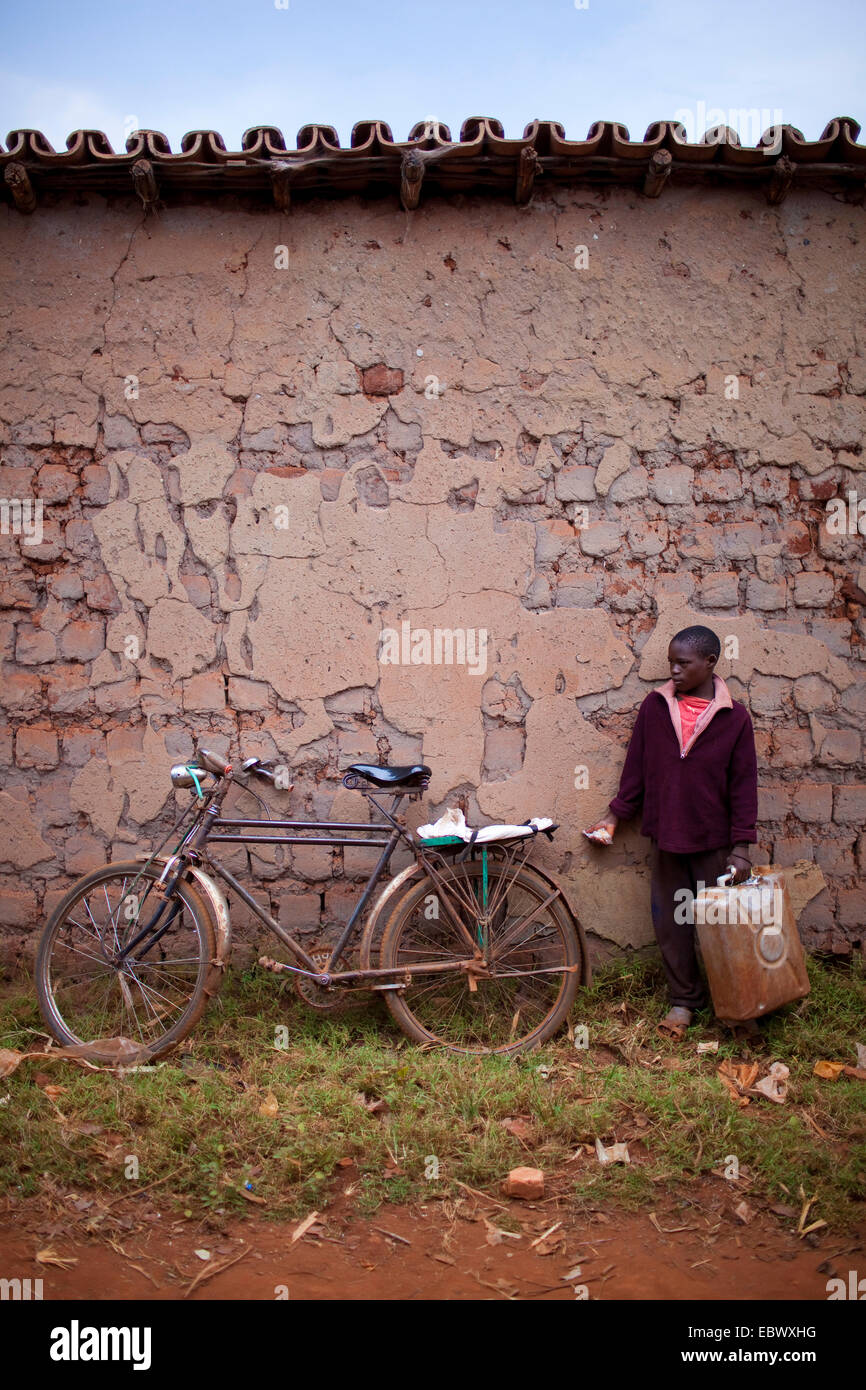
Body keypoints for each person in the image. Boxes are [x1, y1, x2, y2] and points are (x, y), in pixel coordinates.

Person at [585, 625, 758, 1039]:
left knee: (723, 928)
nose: (674, 671)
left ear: (710, 663)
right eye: (671, 663)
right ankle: (683, 1001)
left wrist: (741, 846)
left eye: (684, 663)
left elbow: (744, 785)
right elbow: (636, 771)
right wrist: (615, 816)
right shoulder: (655, 707)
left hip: (714, 844)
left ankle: (737, 1007)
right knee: (672, 926)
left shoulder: (734, 718)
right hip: (667, 840)